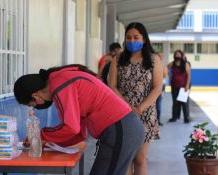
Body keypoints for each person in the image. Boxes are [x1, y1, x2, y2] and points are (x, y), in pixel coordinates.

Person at [14, 64, 144, 175]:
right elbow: (78, 133)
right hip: (123, 128)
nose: (36, 107)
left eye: (32, 105)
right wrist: (47, 140)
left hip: (120, 129)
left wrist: (40, 135)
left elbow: (71, 127)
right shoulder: (60, 81)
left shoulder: (59, 84)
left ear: (35, 95)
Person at [108, 22, 163, 175]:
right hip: (122, 114)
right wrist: (127, 107)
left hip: (145, 114)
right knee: (126, 157)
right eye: (129, 37)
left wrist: (139, 108)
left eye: (136, 37)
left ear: (144, 39)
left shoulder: (153, 59)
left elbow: (157, 88)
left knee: (139, 158)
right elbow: (112, 85)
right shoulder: (118, 59)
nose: (132, 41)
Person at [167, 50, 191, 123]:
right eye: (176, 54)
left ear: (181, 55)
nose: (177, 56)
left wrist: (187, 85)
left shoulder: (185, 64)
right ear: (174, 56)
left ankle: (186, 118)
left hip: (183, 87)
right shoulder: (172, 63)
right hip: (174, 86)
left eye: (178, 54)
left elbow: (189, 76)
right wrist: (169, 75)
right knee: (175, 102)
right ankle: (174, 117)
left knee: (184, 103)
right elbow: (166, 68)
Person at [156, 53, 168, 126]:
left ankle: (158, 120)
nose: (159, 58)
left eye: (161, 56)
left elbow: (165, 75)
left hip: (161, 86)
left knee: (158, 103)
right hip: (152, 86)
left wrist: (161, 66)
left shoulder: (163, 66)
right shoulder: (152, 64)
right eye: (158, 56)